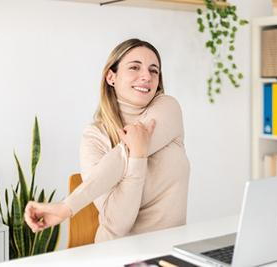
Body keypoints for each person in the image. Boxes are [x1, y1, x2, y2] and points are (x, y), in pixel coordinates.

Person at [24, 39, 190, 242]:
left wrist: (67, 207)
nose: (146, 76)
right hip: (117, 253)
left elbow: (123, 155)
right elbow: (118, 225)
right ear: (111, 77)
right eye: (134, 67)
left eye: (154, 70)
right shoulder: (95, 137)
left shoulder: (167, 108)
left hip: (173, 250)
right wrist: (137, 158)